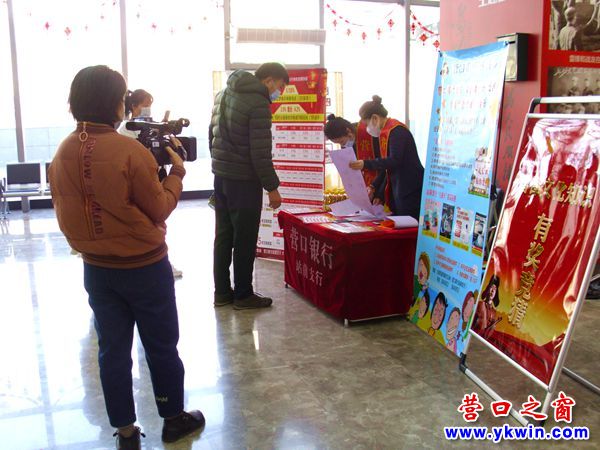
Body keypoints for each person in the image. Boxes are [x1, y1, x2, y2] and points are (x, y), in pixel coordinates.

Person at [48, 65, 204, 448]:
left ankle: (126, 432)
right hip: (144, 267)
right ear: (114, 103)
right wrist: (177, 172)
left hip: (97, 270)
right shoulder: (129, 151)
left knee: (112, 352)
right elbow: (160, 207)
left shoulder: (63, 150)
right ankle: (173, 419)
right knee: (161, 345)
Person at [210, 62, 288, 309]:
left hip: (221, 176)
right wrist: (272, 187)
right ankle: (243, 295)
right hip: (243, 181)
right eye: (280, 86)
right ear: (269, 80)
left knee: (223, 235)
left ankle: (222, 293)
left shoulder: (223, 93)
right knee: (244, 239)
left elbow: (212, 134)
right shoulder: (258, 103)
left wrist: (220, 165)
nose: (279, 93)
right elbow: (260, 152)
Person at [117, 88, 183, 278]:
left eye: (150, 105)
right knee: (151, 223)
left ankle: (162, 262)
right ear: (133, 106)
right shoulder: (126, 129)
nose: (148, 109)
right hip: (140, 183)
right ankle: (156, 264)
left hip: (155, 178)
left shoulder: (150, 127)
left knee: (157, 223)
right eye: (145, 105)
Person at [349, 95, 424, 219]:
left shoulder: (397, 131)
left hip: (410, 188)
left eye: (367, 124)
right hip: (399, 187)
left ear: (375, 118)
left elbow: (394, 161)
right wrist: (375, 188)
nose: (367, 129)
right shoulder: (386, 131)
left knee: (408, 224)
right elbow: (387, 168)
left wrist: (365, 164)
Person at [324, 114, 386, 206]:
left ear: (348, 131)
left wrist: (379, 193)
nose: (343, 146)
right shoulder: (347, 141)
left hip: (383, 185)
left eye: (342, 142)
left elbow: (385, 165)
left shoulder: (371, 133)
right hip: (366, 190)